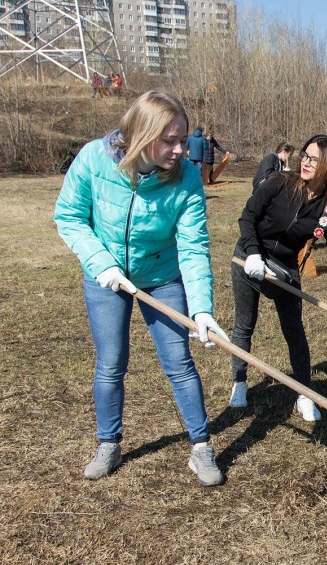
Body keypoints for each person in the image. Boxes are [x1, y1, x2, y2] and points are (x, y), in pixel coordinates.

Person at [53, 90, 229, 486]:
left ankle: (201, 447)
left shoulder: (185, 178)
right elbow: (69, 217)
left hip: (163, 277)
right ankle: (108, 443)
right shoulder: (94, 160)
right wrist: (103, 265)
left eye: (183, 139)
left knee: (179, 363)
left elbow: (194, 246)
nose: (181, 149)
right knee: (111, 363)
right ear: (141, 135)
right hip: (106, 279)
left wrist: (201, 309)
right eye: (170, 140)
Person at [229, 134, 327, 420]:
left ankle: (305, 394)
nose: (305, 162)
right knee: (245, 324)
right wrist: (254, 254)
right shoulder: (279, 183)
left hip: (284, 270)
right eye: (304, 155)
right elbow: (248, 218)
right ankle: (239, 381)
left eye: (314, 159)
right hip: (248, 259)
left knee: (294, 332)